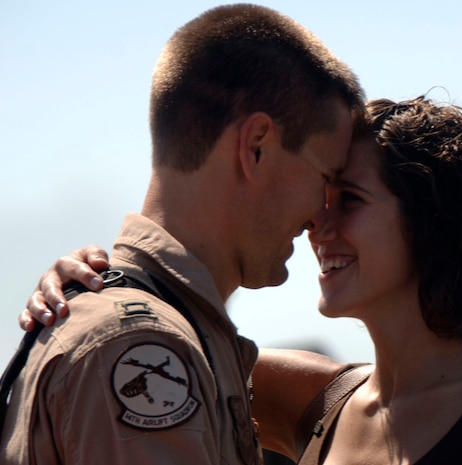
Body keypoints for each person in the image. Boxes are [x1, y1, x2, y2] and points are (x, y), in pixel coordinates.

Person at [22, 97, 462, 464]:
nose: (315, 226)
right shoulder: (318, 399)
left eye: (347, 200)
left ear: (433, 224)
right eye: (320, 198)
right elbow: (150, 340)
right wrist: (96, 286)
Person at [0, 3, 365, 464]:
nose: (321, 216)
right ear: (256, 148)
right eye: (324, 177)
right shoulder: (139, 345)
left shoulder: (157, 332)